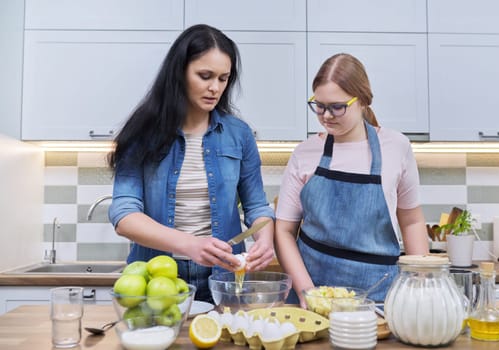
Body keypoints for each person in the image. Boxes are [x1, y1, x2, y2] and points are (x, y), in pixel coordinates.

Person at [108, 24, 275, 303]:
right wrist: (190, 244)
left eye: (223, 79)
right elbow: (124, 216)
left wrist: (265, 239)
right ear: (179, 73)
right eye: (205, 76)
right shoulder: (142, 132)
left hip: (224, 277)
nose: (215, 88)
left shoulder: (239, 135)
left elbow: (257, 207)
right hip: (156, 277)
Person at [274, 53, 429, 306]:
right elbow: (283, 230)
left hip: (379, 296)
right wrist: (306, 292)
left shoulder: (396, 146)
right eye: (319, 105)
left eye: (337, 107)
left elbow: (411, 220)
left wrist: (421, 284)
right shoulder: (304, 153)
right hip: (313, 293)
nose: (326, 116)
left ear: (363, 101)